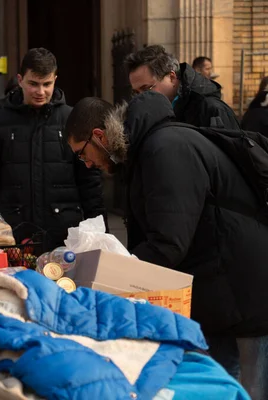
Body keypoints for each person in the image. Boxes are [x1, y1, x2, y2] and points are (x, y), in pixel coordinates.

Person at [64, 92, 268, 398]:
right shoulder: (149, 148)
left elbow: (169, 242)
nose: (87, 164)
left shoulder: (164, 149)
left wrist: (114, 275)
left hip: (245, 286)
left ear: (99, 135)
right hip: (221, 287)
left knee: (252, 388)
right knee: (220, 385)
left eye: (82, 153)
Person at [0, 48, 105, 251]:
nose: (40, 91)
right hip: (13, 233)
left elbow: (89, 181)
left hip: (64, 233)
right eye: (33, 84)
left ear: (55, 80)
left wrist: (99, 229)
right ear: (20, 80)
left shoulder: (72, 119)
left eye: (47, 84)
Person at [125, 45, 239, 129]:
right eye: (136, 92)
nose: (141, 97)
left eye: (146, 89)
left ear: (172, 77)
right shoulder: (146, 113)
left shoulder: (211, 109)